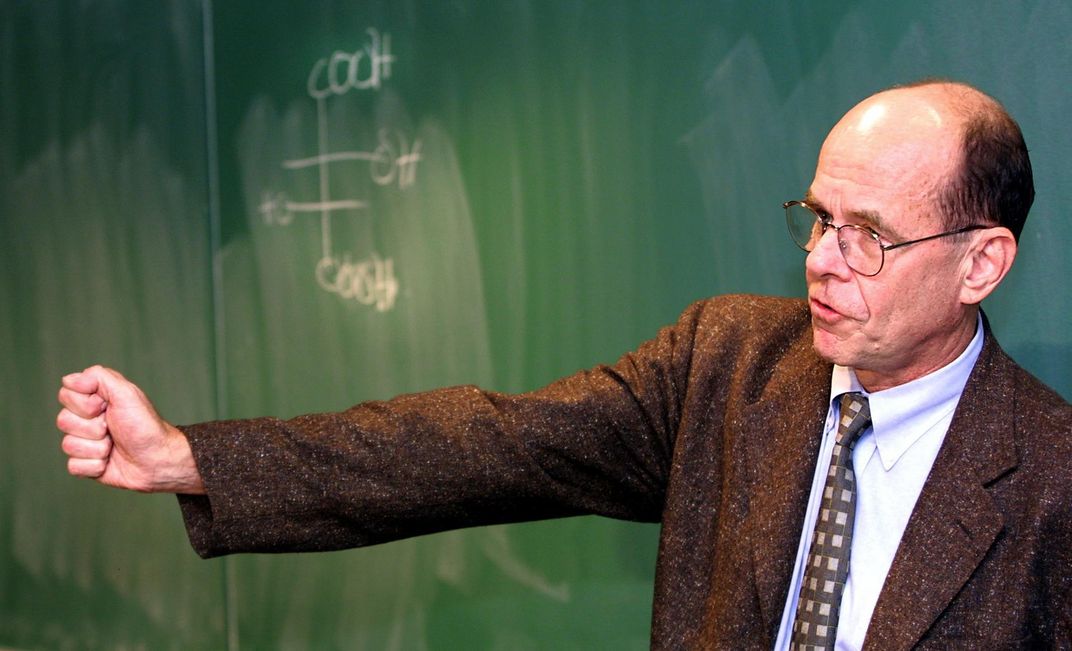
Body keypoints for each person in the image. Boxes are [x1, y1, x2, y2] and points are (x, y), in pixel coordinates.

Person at [57, 80, 1071, 649]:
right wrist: (189, 456)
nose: (818, 261)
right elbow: (479, 445)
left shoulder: (1049, 475)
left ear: (981, 262)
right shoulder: (728, 364)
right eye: (816, 219)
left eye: (868, 238)